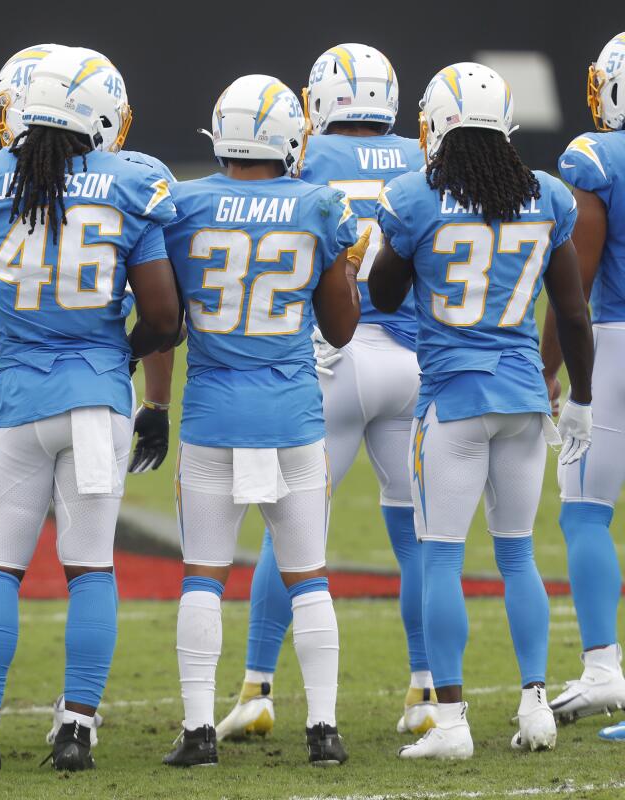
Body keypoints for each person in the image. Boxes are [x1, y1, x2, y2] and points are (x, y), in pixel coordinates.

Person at [0, 41, 174, 750]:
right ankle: (76, 729)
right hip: (98, 401)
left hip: (17, 405)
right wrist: (118, 355)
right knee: (90, 570)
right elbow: (167, 319)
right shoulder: (130, 184)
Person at [370, 62, 594, 759]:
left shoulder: (415, 196)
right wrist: (580, 398)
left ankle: (453, 722)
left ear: (436, 124)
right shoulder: (548, 197)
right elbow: (573, 312)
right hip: (527, 397)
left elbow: (381, 297)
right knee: (519, 556)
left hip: (452, 402)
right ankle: (535, 707)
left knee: (440, 558)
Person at [217, 43, 435, 743]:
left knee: (293, 534)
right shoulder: (420, 159)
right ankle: (428, 688)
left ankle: (256, 685)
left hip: (333, 360)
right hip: (411, 360)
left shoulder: (304, 158)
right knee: (421, 537)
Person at [160, 75, 359, 769]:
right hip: (292, 414)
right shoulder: (317, 204)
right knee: (309, 577)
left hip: (213, 412)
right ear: (290, 139)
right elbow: (341, 325)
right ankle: (324, 731)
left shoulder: (183, 203)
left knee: (203, 577)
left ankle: (197, 733)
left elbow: (163, 317)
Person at [541, 32, 625, 738]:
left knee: (586, 508)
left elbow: (579, 279)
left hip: (617, 344)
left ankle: (603, 669)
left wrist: (549, 365)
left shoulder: (597, 157)